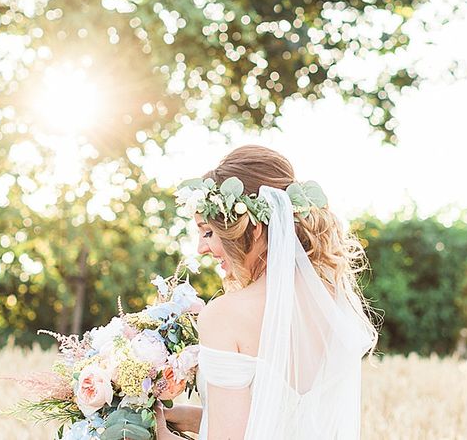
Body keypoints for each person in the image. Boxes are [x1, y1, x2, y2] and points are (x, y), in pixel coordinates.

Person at [155, 145, 377, 439]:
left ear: (255, 228)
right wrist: (193, 418)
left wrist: (159, 433)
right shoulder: (331, 301)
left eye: (208, 232)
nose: (201, 248)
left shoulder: (224, 316)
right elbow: (286, 420)